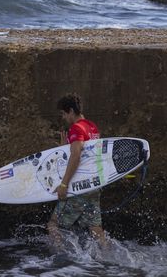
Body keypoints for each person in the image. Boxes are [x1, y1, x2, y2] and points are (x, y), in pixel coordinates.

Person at [47, 93, 107, 248]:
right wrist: (64, 149)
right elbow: (88, 157)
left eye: (64, 113)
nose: (63, 118)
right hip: (93, 185)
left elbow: (76, 156)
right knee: (95, 229)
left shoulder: (76, 128)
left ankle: (60, 258)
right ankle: (108, 256)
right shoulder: (92, 127)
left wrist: (64, 185)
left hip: (79, 187)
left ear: (71, 111)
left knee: (54, 225)